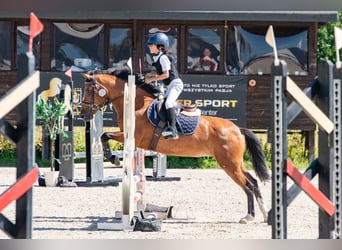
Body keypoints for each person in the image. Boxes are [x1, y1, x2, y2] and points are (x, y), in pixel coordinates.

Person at [144, 32, 183, 140]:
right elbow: (160, 73)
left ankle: (173, 129)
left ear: (159, 47)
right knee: (163, 104)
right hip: (170, 85)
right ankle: (166, 126)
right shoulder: (157, 58)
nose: (149, 47)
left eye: (151, 45)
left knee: (169, 102)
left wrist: (151, 79)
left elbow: (165, 75)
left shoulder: (163, 58)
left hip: (175, 84)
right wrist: (149, 75)